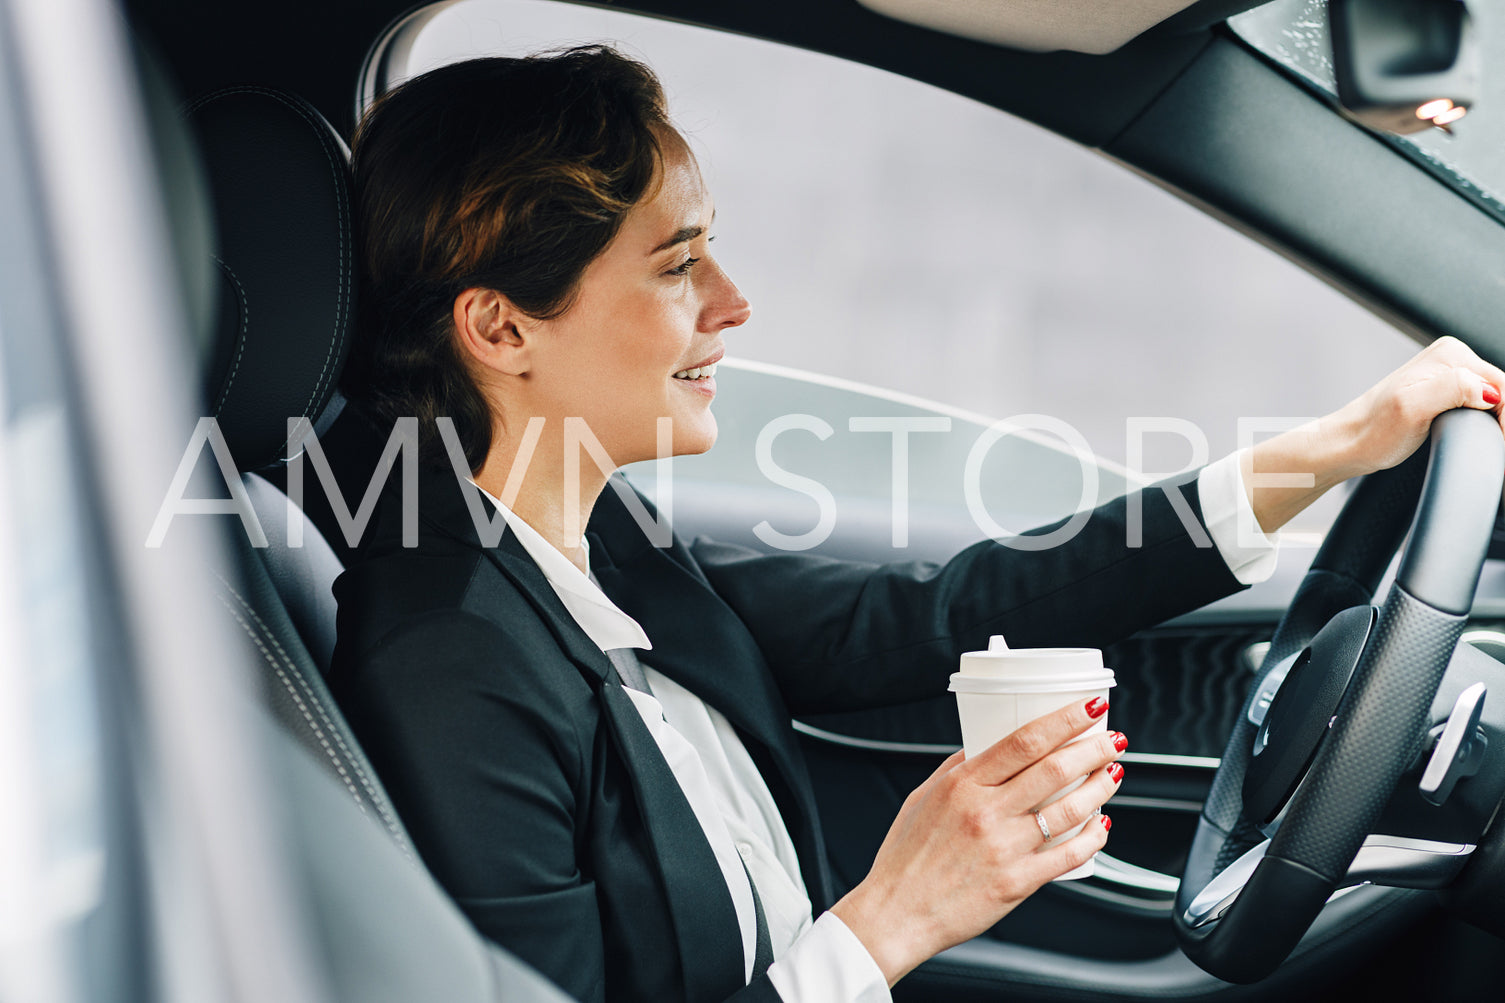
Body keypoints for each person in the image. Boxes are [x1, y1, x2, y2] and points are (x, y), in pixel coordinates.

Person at [328, 46, 1505, 1003]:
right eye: (679, 265)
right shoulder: (447, 663)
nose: (733, 303)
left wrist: (1329, 452)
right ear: (500, 330)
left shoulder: (596, 539)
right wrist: (892, 919)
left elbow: (933, 614)